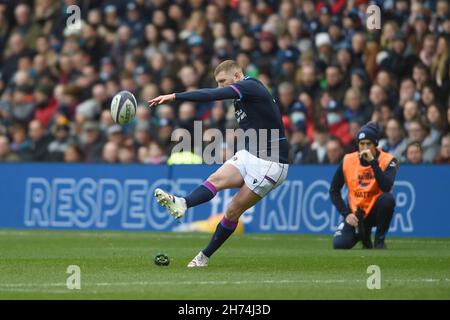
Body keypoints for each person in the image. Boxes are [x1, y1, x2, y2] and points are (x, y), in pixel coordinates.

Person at [148, 60, 289, 267]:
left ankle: (203, 257)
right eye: (218, 82)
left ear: (238, 76)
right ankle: (183, 203)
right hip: (251, 154)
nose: (221, 86)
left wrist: (176, 96)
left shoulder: (249, 86)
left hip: (271, 162)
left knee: (232, 210)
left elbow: (211, 95)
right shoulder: (244, 95)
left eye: (223, 81)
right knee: (215, 179)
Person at [329, 122, 398, 249]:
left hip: (375, 210)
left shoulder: (388, 160)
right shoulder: (347, 160)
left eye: (369, 144)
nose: (365, 147)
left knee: (387, 199)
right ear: (357, 145)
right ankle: (364, 235)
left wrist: (373, 162)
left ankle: (379, 241)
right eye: (362, 144)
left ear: (375, 144)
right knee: (340, 244)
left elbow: (386, 187)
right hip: (356, 214)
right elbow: (334, 190)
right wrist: (346, 214)